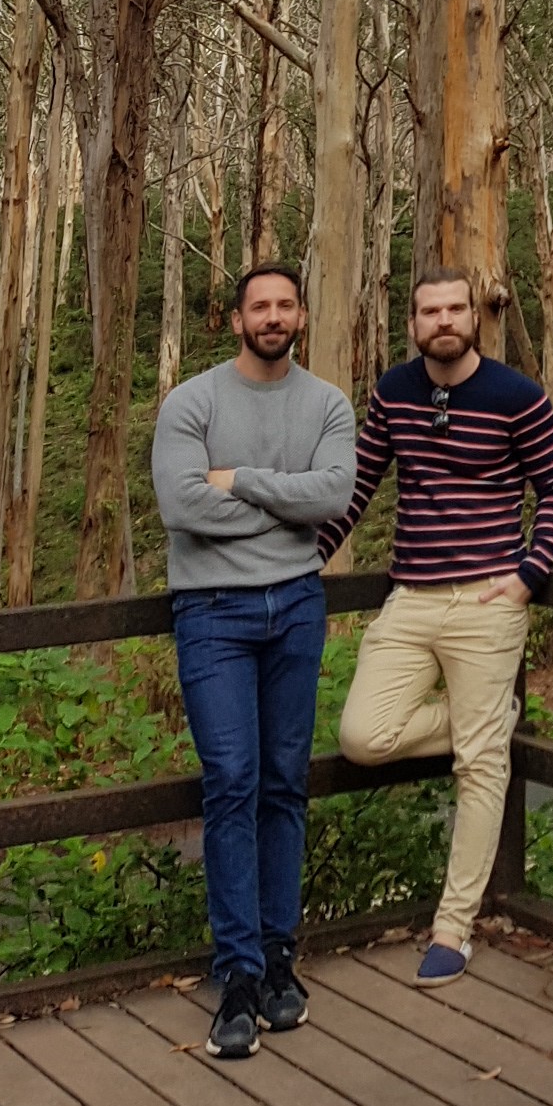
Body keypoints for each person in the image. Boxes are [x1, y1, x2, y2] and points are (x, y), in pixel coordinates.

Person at [317, 266, 553, 985]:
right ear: (413, 324)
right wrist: (301, 556)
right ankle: (489, 718)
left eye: (455, 309)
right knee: (364, 736)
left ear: (476, 316)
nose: (443, 322)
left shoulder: (518, 398)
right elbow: (359, 485)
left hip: (486, 602)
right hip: (411, 598)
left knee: (480, 768)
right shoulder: (395, 393)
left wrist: (529, 575)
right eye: (430, 311)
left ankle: (453, 927)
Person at [152, 262, 355, 1061]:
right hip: (212, 615)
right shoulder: (192, 402)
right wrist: (284, 505)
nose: (273, 316)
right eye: (258, 306)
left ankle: (279, 958)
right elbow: (180, 505)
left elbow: (334, 496)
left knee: (283, 781)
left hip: (297, 611)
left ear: (301, 314)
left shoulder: (327, 404)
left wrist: (241, 483)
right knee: (230, 782)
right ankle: (236, 972)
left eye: (285, 304)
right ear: (235, 320)